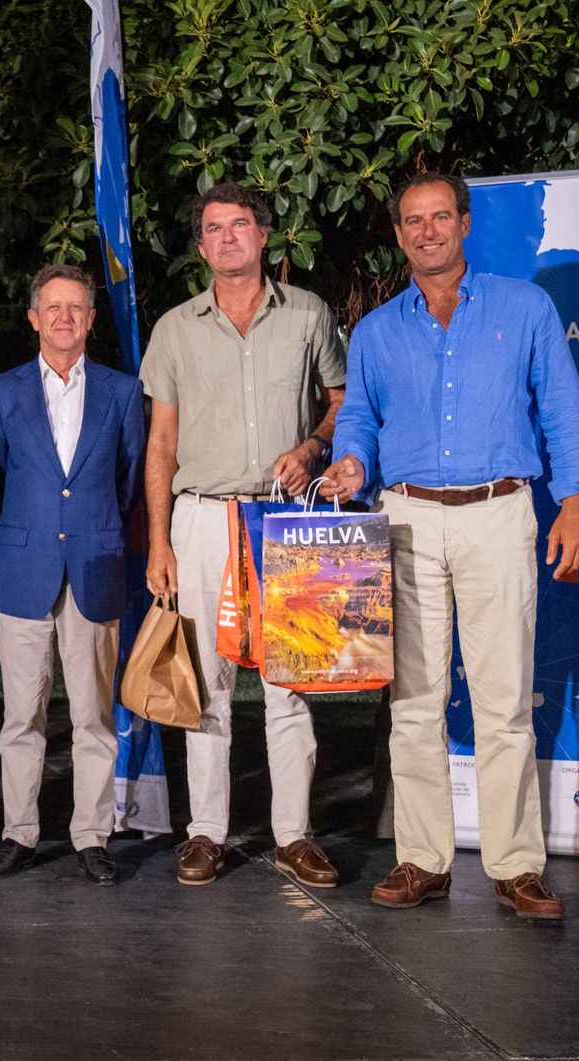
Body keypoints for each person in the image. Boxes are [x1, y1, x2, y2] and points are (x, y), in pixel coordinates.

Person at [324, 172, 579, 919]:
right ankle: (422, 859)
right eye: (412, 221)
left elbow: (566, 413)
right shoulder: (379, 330)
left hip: (497, 511)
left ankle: (516, 866)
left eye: (440, 216)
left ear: (466, 223)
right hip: (406, 518)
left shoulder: (525, 308)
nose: (427, 231)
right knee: (413, 700)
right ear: (399, 234)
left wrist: (573, 508)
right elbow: (359, 424)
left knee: (504, 699)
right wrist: (350, 462)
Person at [142, 182, 347, 889]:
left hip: (285, 517)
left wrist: (315, 447)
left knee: (291, 683)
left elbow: (341, 402)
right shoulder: (175, 328)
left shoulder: (308, 314)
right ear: (201, 246)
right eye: (213, 228)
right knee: (206, 684)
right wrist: (160, 541)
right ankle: (206, 832)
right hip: (200, 515)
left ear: (264, 236)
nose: (227, 237)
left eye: (239, 226)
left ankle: (295, 835)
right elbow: (161, 440)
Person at [0, 264, 143, 885]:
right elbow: (0, 474)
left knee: (93, 717)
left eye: (77, 307)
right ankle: (18, 834)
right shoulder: (0, 392)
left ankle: (91, 836)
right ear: (33, 318)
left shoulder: (123, 392)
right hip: (23, 565)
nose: (65, 317)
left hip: (96, 566)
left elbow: (127, 481)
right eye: (53, 307)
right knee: (21, 717)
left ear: (92, 320)